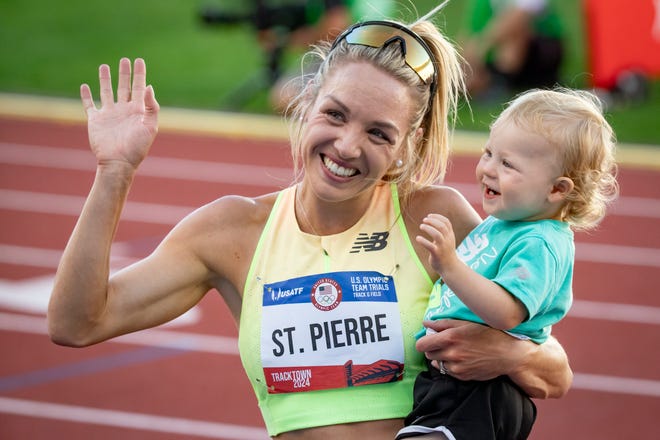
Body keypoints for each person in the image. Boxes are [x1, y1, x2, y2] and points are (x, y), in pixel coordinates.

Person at [47, 5, 573, 439]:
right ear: (306, 103)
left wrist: (504, 352)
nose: (346, 147)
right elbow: (78, 322)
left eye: (379, 133)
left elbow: (556, 372)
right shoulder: (231, 231)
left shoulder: (431, 217)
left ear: (405, 147)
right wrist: (114, 172)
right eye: (335, 114)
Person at [397, 88, 618, 439]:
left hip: (483, 390)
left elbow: (507, 312)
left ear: (557, 189)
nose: (487, 169)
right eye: (488, 153)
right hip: (452, 381)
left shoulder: (540, 241)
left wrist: (451, 265)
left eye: (507, 164)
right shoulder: (505, 224)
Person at [460, 0, 564, 99]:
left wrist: (481, 50)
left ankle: (500, 82)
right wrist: (469, 61)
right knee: (464, 53)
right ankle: (477, 83)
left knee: (517, 29)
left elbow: (519, 17)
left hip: (541, 52)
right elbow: (473, 31)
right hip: (495, 53)